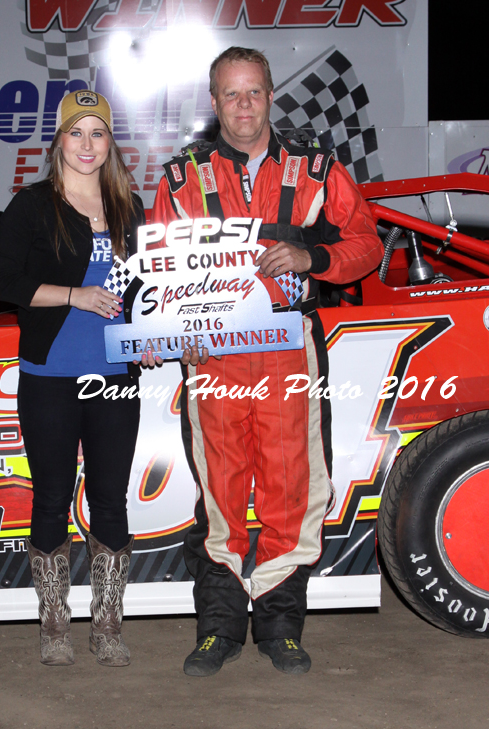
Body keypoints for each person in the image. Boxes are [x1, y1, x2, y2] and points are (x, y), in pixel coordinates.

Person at [152, 47, 383, 677]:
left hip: (287, 350)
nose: (244, 106)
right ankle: (217, 631)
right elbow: (158, 272)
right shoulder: (180, 179)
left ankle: (280, 629)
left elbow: (366, 243)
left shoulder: (315, 167)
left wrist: (314, 260)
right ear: (215, 101)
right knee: (220, 495)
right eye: (232, 94)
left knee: (290, 490)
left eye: (254, 92)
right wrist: (170, 328)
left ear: (272, 94)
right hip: (212, 358)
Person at [0, 90, 145, 668]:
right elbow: (5, 284)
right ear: (58, 141)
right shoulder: (31, 206)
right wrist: (76, 296)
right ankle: (54, 625)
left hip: (115, 376)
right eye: (75, 133)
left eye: (97, 133)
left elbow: (142, 294)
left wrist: (148, 340)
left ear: (111, 143)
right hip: (51, 374)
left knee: (110, 499)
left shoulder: (129, 208)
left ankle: (107, 626)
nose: (87, 145)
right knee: (52, 496)